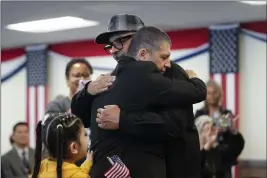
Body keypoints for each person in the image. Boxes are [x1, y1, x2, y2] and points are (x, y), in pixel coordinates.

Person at [73, 25, 206, 178]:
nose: (113, 50)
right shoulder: (109, 79)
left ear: (141, 40)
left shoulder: (167, 72)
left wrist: (123, 119)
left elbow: (175, 124)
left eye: (120, 41)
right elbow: (81, 118)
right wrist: (88, 90)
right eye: (111, 45)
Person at [195, 80, 245, 178]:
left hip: (223, 160)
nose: (212, 96)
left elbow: (235, 143)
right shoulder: (199, 114)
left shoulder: (226, 114)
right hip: (203, 159)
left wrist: (232, 129)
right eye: (209, 93)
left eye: (214, 92)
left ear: (219, 94)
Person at [31, 113, 93, 178]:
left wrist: (88, 163)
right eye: (85, 135)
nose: (88, 137)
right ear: (74, 147)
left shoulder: (42, 167)